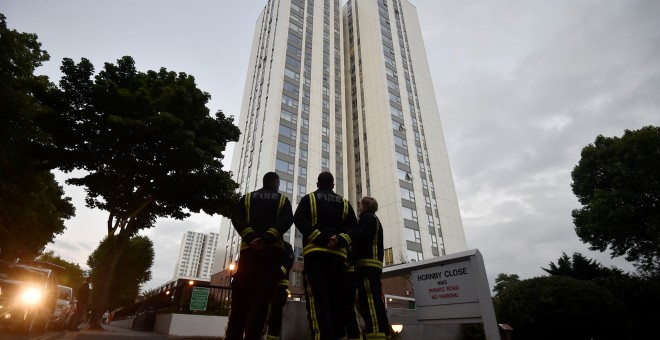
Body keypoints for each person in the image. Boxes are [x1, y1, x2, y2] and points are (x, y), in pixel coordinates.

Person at [224, 172, 294, 340]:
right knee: (261, 303)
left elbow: (237, 218)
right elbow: (287, 220)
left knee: (240, 301)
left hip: (249, 253)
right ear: (275, 183)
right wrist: (267, 238)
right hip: (272, 256)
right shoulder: (282, 200)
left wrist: (251, 237)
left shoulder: (247, 198)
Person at [294, 171, 359, 340]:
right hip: (338, 260)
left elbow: (300, 220)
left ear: (317, 184)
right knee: (337, 302)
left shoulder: (309, 199)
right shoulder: (344, 203)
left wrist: (321, 239)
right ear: (332, 185)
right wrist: (339, 240)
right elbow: (354, 229)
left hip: (315, 257)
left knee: (318, 302)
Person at [354, 196, 391, 340]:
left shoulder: (367, 219)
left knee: (368, 303)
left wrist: (350, 252)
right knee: (376, 302)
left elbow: (362, 240)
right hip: (372, 266)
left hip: (367, 266)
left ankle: (376, 335)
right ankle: (385, 334)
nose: (358, 208)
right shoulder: (374, 220)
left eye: (360, 205)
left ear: (366, 206)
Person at [265, 241, 295, 340]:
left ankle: (272, 337)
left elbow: (289, 262)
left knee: (276, 315)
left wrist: (279, 272)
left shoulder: (286, 246)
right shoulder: (267, 243)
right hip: (266, 284)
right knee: (261, 313)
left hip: (281, 286)